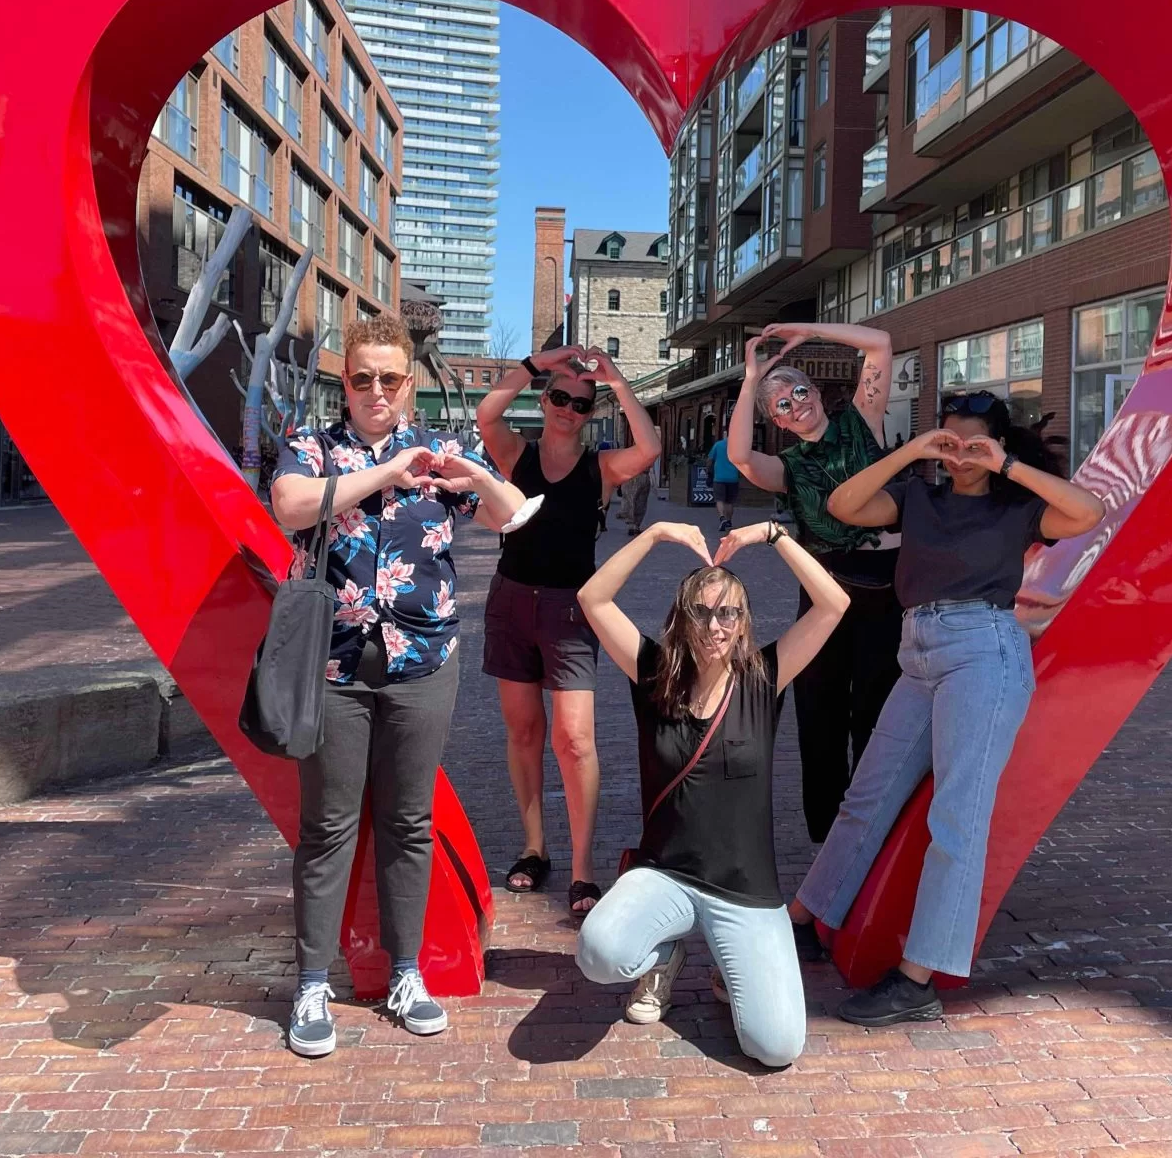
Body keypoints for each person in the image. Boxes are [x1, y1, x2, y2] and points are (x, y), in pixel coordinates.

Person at [269, 312, 530, 1058]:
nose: (376, 391)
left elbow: (512, 518)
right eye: (362, 379)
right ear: (344, 384)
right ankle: (313, 981)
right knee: (329, 827)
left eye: (389, 378)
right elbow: (289, 506)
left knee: (409, 824)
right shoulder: (312, 448)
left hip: (422, 665)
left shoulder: (446, 453)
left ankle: (405, 974)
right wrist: (390, 469)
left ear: (408, 384)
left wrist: (470, 472)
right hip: (337, 667)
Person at [797, 390, 1105, 1026]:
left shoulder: (1017, 509)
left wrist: (1007, 467)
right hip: (917, 652)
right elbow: (842, 505)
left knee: (957, 817)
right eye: (951, 441)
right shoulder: (920, 499)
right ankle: (807, 917)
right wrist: (913, 450)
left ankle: (918, 978)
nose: (960, 455)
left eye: (975, 443)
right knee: (867, 795)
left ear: (994, 445)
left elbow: (1089, 512)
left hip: (983, 652)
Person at [573, 518, 850, 1068]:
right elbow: (593, 597)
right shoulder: (654, 673)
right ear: (682, 616)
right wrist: (654, 535)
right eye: (702, 611)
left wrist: (774, 536)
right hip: (665, 875)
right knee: (599, 953)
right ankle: (664, 952)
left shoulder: (764, 676)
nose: (715, 626)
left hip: (744, 891)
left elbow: (833, 604)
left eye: (730, 613)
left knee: (775, 1047)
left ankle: (732, 966)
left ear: (744, 622)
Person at [476, 346, 661, 917]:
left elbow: (650, 448)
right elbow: (487, 412)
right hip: (511, 602)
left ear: (589, 412)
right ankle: (535, 848)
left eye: (580, 404)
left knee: (575, 739)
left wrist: (617, 380)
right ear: (544, 399)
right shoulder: (517, 455)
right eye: (559, 398)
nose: (567, 409)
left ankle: (583, 869)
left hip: (573, 611)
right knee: (525, 731)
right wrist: (541, 363)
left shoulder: (600, 468)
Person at [726, 323, 903, 912]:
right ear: (775, 418)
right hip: (824, 593)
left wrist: (808, 331)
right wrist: (751, 377)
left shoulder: (862, 421)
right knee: (820, 713)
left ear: (818, 393)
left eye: (798, 391)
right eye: (780, 403)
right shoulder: (790, 467)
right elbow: (738, 457)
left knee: (876, 708)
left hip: (884, 587)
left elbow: (877, 344)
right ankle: (832, 837)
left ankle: (880, 827)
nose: (793, 403)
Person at [707, 427, 740, 534]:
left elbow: (710, 460)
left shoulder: (718, 445)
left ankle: (722, 518)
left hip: (719, 478)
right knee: (729, 502)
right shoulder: (737, 447)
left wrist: (709, 472)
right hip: (733, 478)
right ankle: (729, 521)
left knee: (719, 500)